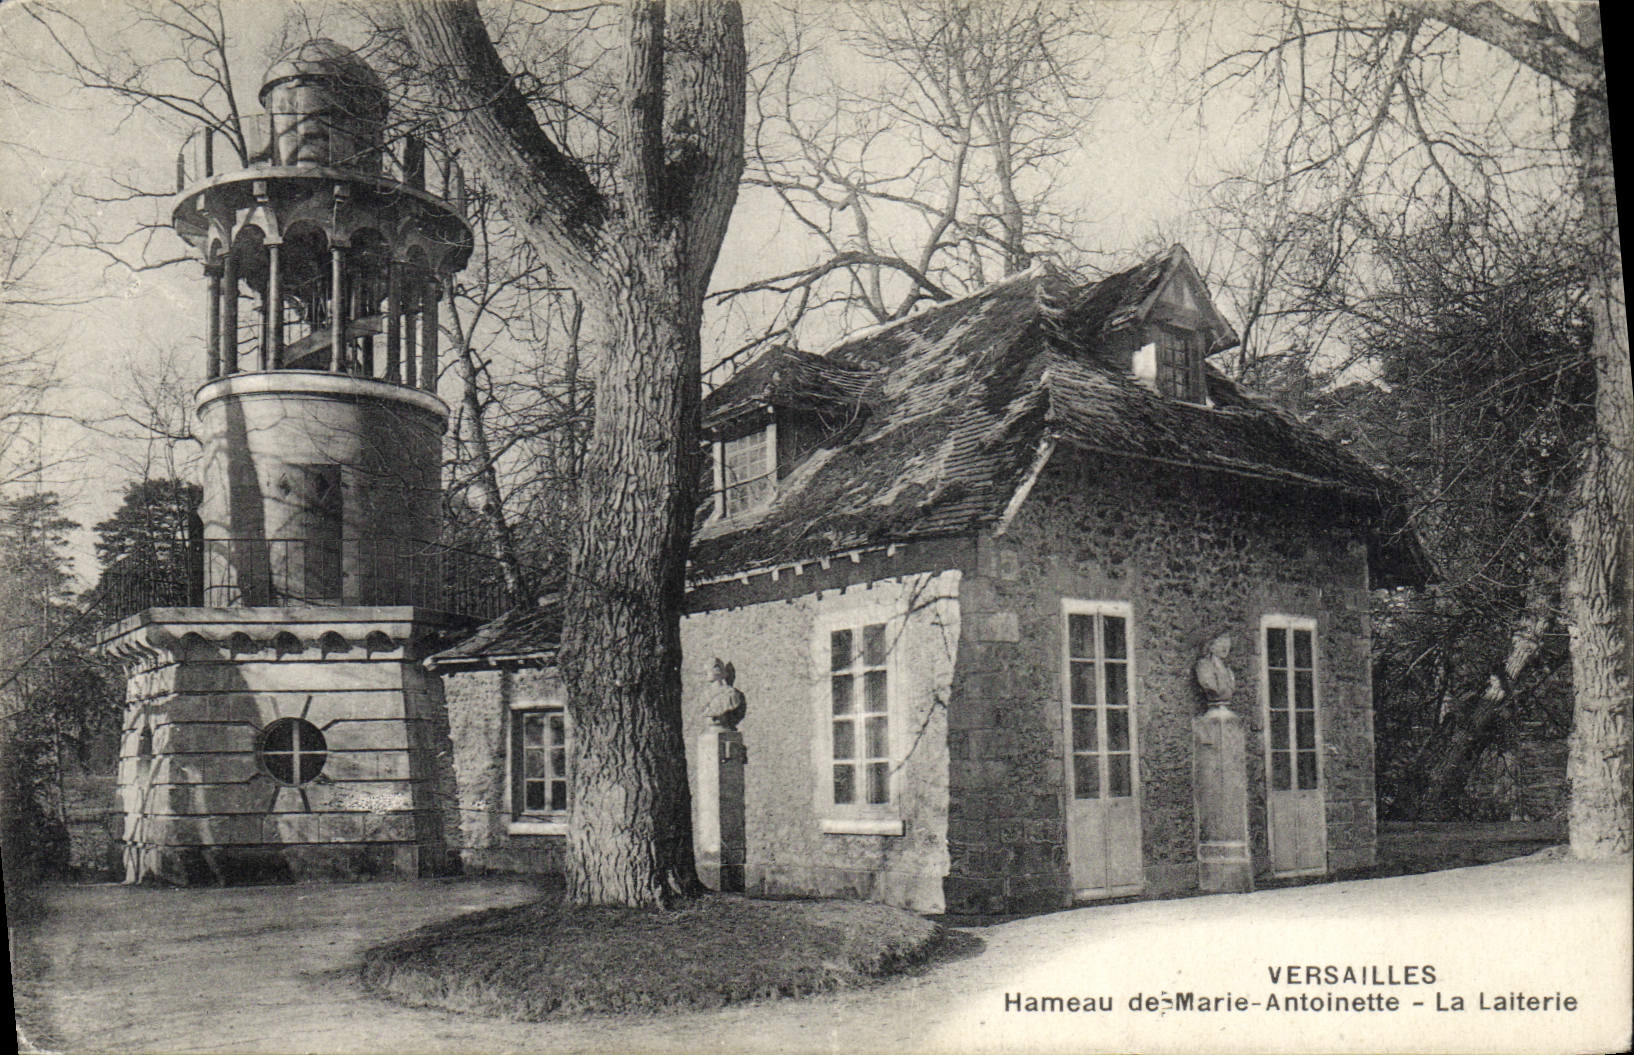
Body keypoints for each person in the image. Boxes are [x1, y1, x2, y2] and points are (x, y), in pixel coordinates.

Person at [702, 658, 747, 730]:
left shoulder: (731, 694)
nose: (705, 673)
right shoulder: (705, 695)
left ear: (717, 670)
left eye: (708, 670)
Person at [1194, 633, 1235, 704]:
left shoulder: (1228, 669)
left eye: (1227, 642)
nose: (1225, 647)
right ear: (1211, 645)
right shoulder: (1204, 665)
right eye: (1220, 642)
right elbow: (1210, 686)